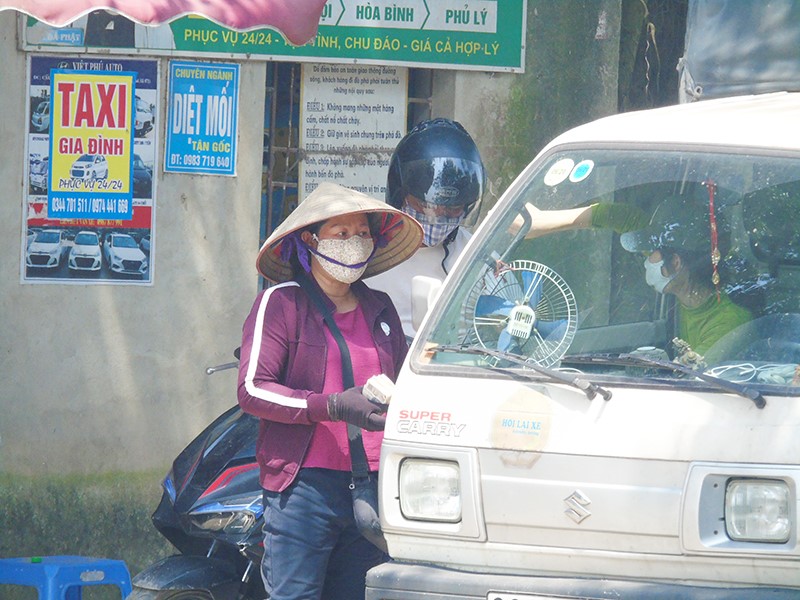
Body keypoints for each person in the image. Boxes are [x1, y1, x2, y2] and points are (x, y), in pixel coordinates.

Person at [237, 182, 423, 600]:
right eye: (342, 234)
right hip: (303, 488)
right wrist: (335, 405)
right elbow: (252, 390)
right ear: (310, 240)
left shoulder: (381, 308)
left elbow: (405, 381)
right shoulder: (281, 304)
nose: (354, 243)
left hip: (373, 485)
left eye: (362, 233)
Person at [518, 193, 752, 356]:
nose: (645, 259)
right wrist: (539, 222)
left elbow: (691, 377)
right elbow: (617, 216)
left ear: (677, 262)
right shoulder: (675, 262)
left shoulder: (729, 324)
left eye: (651, 253)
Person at [367, 118, 486, 337]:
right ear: (400, 195)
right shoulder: (367, 252)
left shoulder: (476, 256)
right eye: (425, 205)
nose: (438, 216)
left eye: (453, 208)